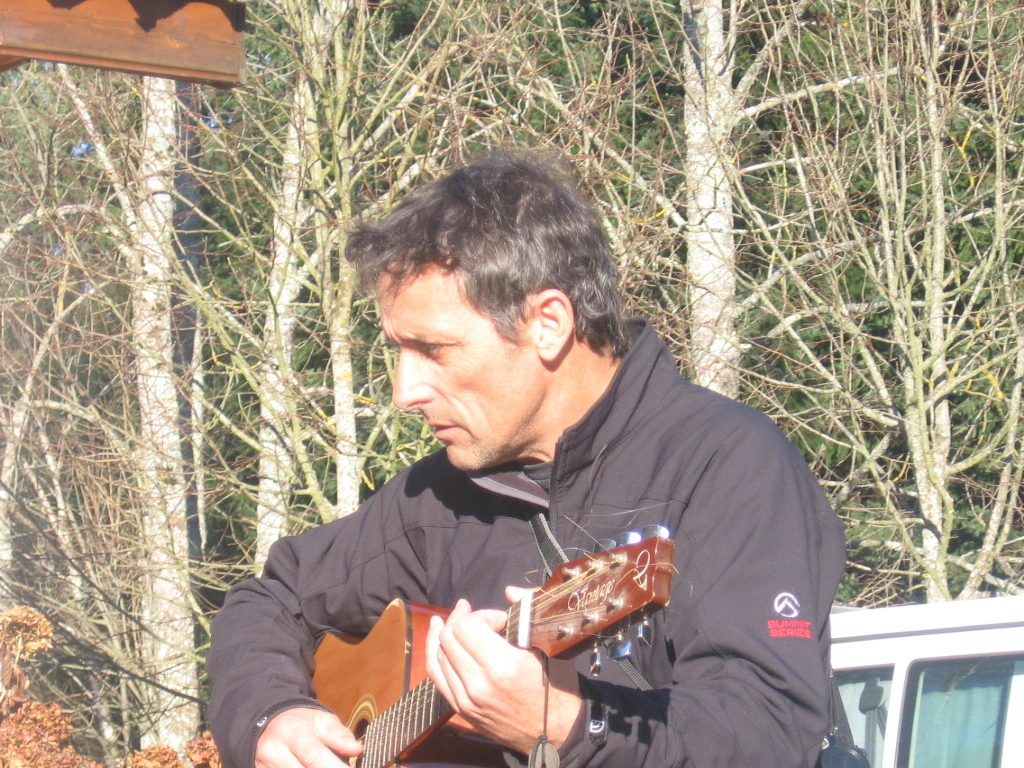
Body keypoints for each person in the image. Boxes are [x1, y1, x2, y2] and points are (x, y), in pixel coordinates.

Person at [207, 149, 847, 768]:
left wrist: (563, 725)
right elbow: (272, 598)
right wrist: (271, 716)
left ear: (548, 323)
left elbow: (769, 733)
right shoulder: (436, 499)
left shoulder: (729, 466)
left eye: (433, 349)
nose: (404, 392)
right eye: (399, 350)